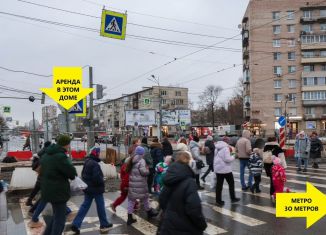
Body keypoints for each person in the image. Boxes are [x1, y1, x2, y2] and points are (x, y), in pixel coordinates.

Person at [159, 151, 207, 235]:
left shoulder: (170, 177)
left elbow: (162, 200)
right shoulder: (189, 182)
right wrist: (202, 225)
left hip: (168, 226)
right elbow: (194, 209)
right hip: (185, 228)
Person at [40, 134, 77, 235]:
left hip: (47, 190)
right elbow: (72, 174)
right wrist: (69, 162)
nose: (69, 146)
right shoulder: (60, 157)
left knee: (56, 216)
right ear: (66, 144)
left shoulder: (47, 154)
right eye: (69, 143)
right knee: (60, 220)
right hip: (58, 192)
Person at [71, 147, 113, 234]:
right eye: (99, 153)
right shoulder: (95, 164)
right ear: (96, 154)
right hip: (96, 189)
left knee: (85, 206)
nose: (99, 154)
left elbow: (83, 174)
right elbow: (97, 178)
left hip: (88, 188)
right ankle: (104, 223)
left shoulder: (87, 161)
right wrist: (102, 180)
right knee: (100, 206)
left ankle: (76, 223)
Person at [126, 146, 158, 225]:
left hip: (133, 184)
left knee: (131, 201)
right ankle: (149, 212)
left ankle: (129, 217)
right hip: (141, 184)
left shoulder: (131, 159)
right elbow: (143, 172)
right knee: (145, 198)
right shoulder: (141, 160)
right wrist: (147, 170)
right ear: (142, 153)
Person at [214, 137, 240, 206]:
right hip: (225, 169)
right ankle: (233, 198)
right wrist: (233, 156)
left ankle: (218, 201)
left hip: (218, 169)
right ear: (227, 142)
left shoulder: (217, 147)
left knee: (219, 185)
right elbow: (227, 159)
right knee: (231, 183)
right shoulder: (225, 148)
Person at [26, 141, 52, 207]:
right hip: (44, 172)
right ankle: (34, 208)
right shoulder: (47, 152)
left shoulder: (42, 150)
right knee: (47, 192)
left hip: (40, 171)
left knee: (37, 187)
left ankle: (29, 200)